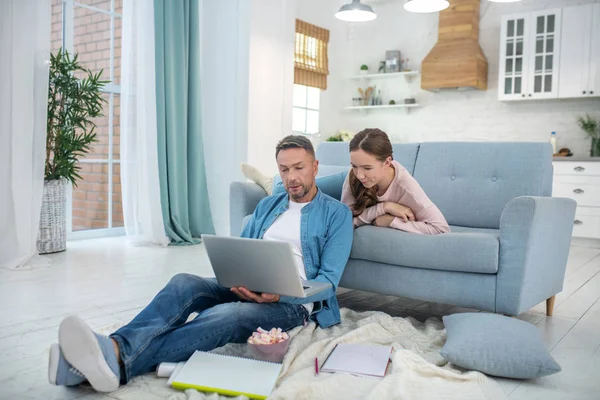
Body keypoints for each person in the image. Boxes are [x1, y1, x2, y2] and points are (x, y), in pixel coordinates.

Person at [49, 135, 353, 392]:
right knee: (184, 282)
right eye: (284, 170)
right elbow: (244, 250)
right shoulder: (268, 205)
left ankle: (113, 356)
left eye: (299, 168)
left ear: (315, 167)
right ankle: (104, 357)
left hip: (291, 305)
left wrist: (281, 294)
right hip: (249, 285)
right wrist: (238, 275)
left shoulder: (336, 214)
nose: (291, 178)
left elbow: (328, 282)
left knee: (227, 315)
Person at [341, 128, 450, 235]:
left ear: (387, 162)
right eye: (354, 166)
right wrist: (384, 207)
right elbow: (343, 224)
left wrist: (392, 221)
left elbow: (441, 229)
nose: (359, 175)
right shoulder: (354, 175)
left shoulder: (407, 187)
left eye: (367, 168)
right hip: (340, 179)